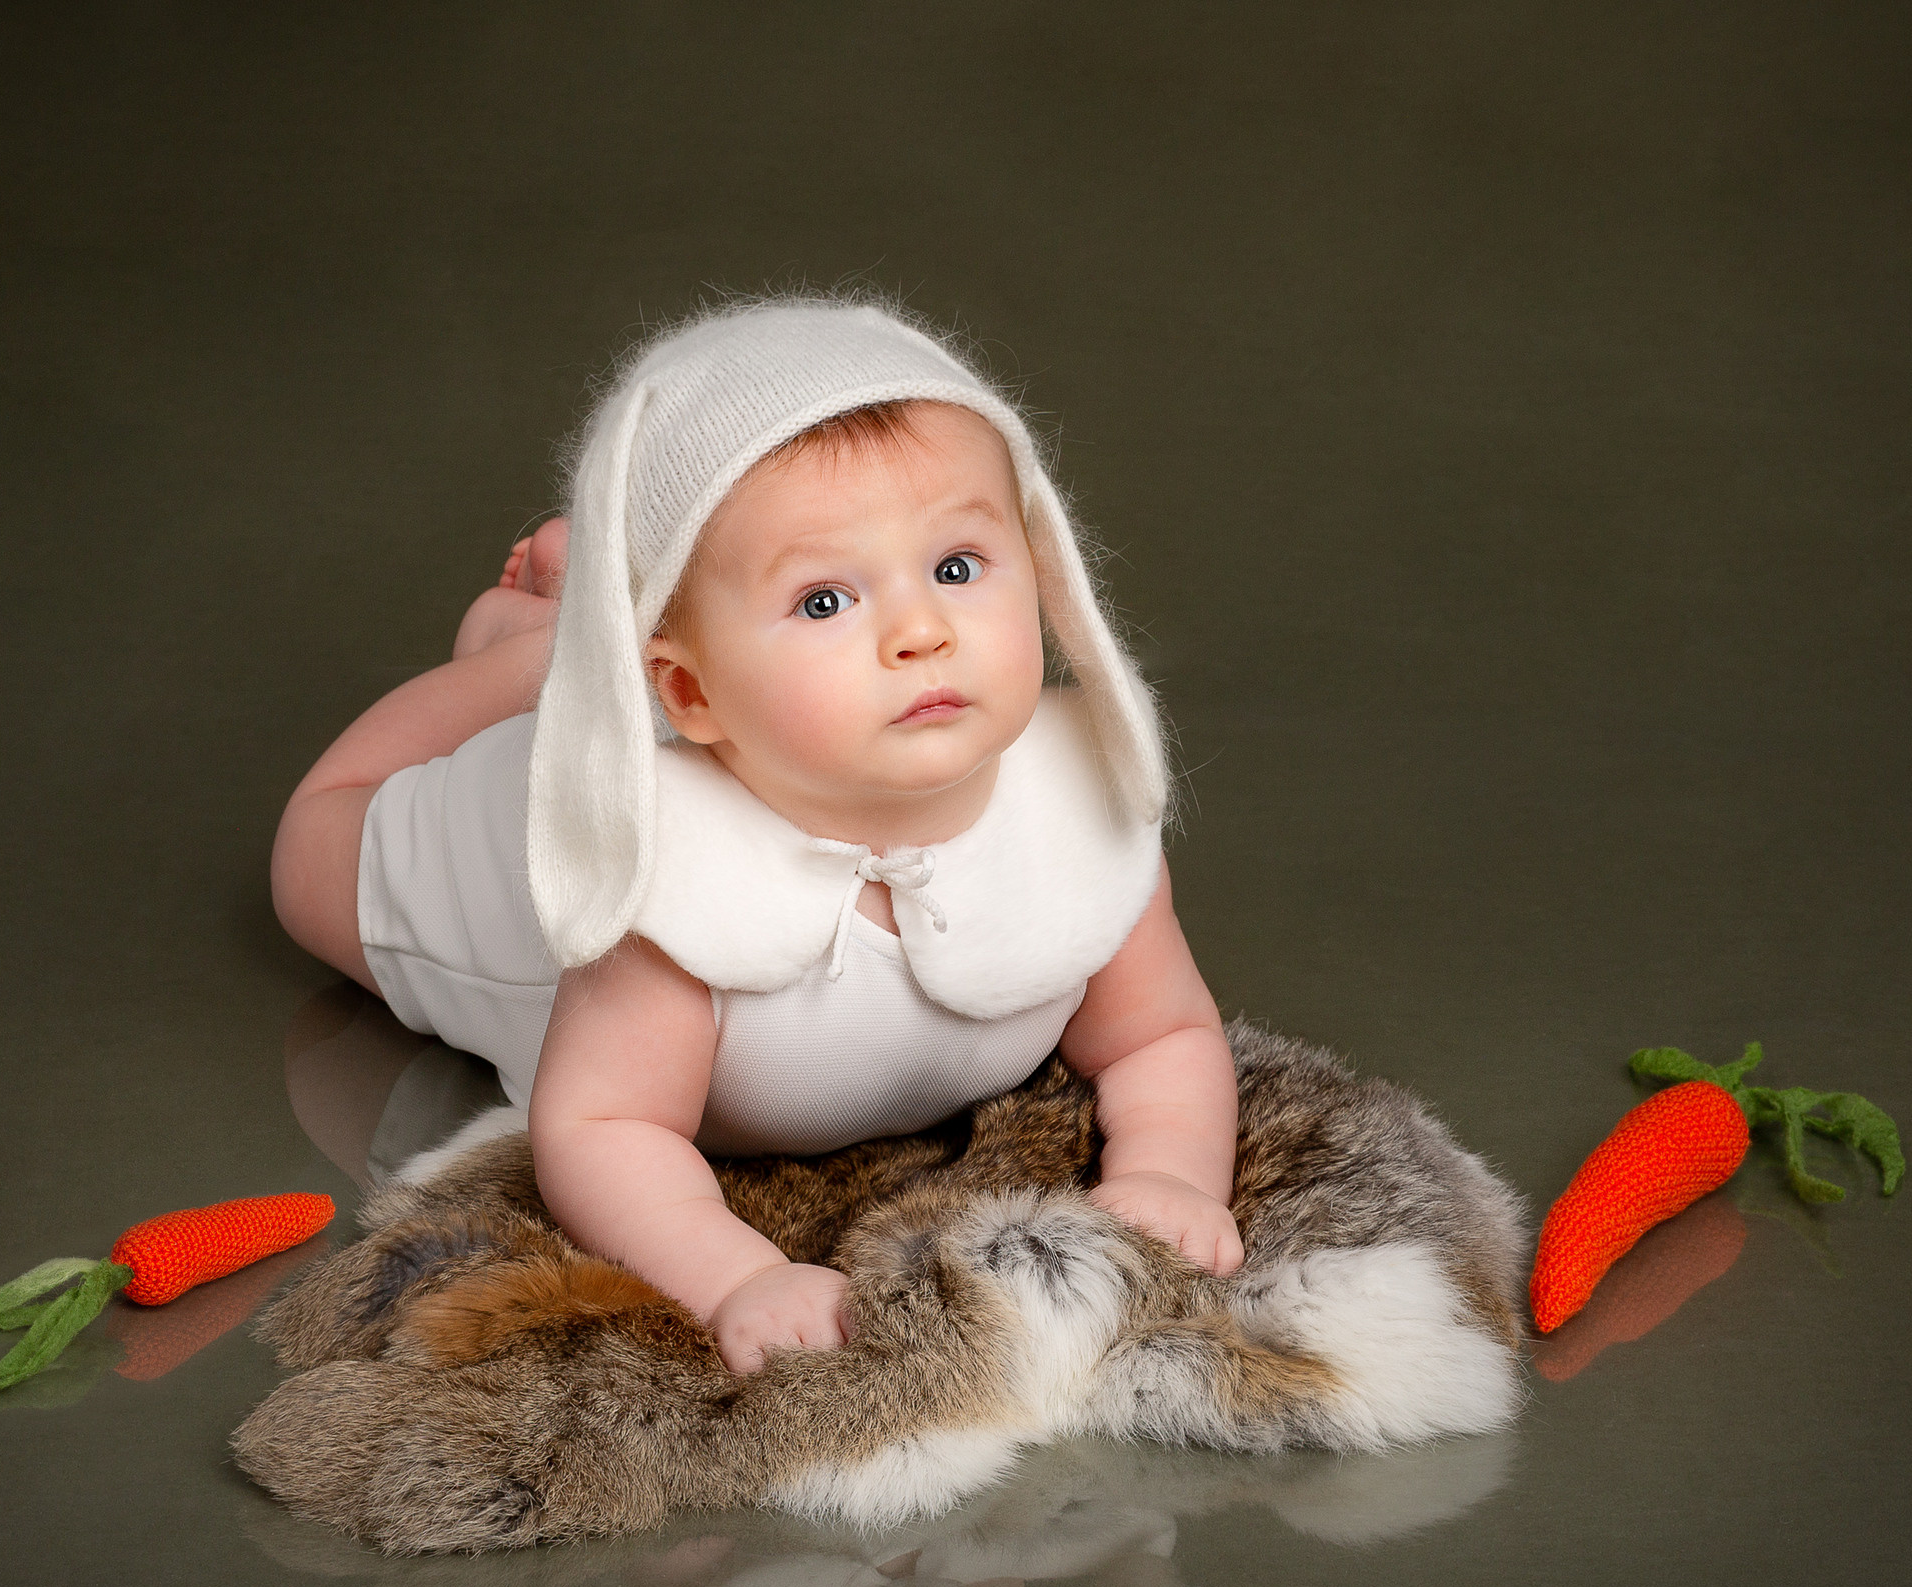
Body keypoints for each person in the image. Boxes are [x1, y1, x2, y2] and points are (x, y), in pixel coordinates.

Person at [270, 298, 1240, 1375]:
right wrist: (735, 1273)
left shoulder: (1078, 812)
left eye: (957, 567)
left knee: (642, 672)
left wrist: (1170, 1174)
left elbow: (1163, 1038)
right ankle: (534, 654)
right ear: (685, 688)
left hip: (688, 697)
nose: (921, 633)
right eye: (825, 600)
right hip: (497, 870)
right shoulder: (669, 883)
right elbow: (604, 1131)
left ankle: (562, 627)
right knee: (314, 837)